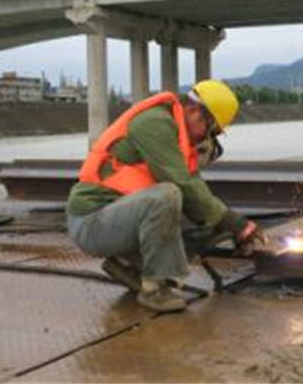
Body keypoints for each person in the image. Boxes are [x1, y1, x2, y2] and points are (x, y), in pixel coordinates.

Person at [66, 80, 265, 312]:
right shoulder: (154, 124)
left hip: (118, 217)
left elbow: (198, 195)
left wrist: (233, 225)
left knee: (210, 220)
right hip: (92, 222)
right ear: (194, 111)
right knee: (168, 195)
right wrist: (234, 222)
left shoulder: (177, 136)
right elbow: (182, 184)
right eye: (211, 131)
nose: (207, 139)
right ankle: (154, 289)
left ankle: (130, 265)